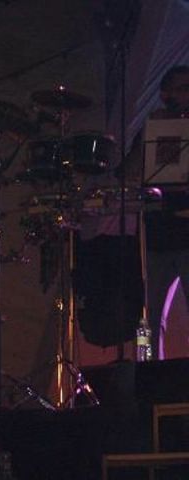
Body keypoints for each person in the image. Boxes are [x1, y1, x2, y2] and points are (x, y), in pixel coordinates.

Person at [139, 65, 189, 358]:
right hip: (157, 236)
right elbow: (129, 172)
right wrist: (151, 133)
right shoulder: (152, 128)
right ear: (165, 94)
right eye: (181, 89)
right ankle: (146, 372)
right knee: (146, 318)